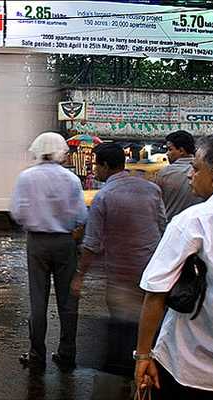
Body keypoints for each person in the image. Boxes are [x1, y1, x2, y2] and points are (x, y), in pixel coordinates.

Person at [134, 134, 213, 399]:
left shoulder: (195, 221)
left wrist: (143, 356)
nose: (190, 176)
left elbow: (155, 293)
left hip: (189, 367)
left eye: (195, 169)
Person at [71, 143, 166, 376]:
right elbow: (163, 227)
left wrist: (80, 275)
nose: (94, 170)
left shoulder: (104, 196)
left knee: (123, 327)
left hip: (121, 276)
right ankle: (147, 369)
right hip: (151, 273)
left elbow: (92, 243)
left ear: (105, 166)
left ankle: (127, 376)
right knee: (149, 326)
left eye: (96, 165)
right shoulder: (151, 189)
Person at [9, 132, 88, 370]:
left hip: (37, 243)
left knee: (37, 300)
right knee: (67, 302)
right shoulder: (71, 179)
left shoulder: (26, 177)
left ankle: (36, 354)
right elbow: (82, 217)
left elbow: (17, 212)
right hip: (65, 242)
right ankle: (67, 353)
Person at [155, 130, 202, 222]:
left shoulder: (165, 173)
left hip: (171, 226)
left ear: (181, 151)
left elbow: (157, 204)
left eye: (170, 149)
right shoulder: (205, 172)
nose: (167, 153)